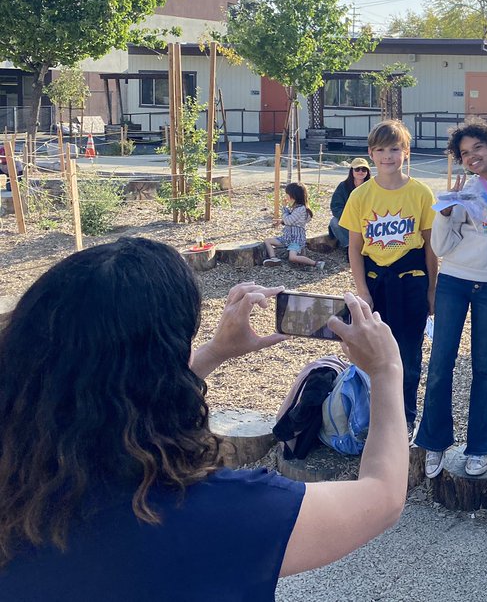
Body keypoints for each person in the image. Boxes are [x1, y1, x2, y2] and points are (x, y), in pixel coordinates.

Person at [0, 237, 408, 601]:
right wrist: (386, 370)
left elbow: (114, 399)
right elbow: (382, 497)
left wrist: (214, 352)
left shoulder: (24, 477)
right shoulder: (216, 510)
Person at [416, 119, 487, 479]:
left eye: (477, 147)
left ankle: (481, 446)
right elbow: (442, 247)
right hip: (454, 281)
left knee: (485, 367)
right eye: (464, 153)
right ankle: (434, 442)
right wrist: (445, 214)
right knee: (441, 362)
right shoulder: (464, 189)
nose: (472, 156)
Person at [340, 119, 437, 431]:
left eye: (394, 149)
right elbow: (354, 248)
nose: (388, 156)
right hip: (375, 281)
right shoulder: (360, 196)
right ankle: (371, 416)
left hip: (411, 279)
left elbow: (431, 247)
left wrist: (432, 288)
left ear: (405, 152)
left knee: (409, 354)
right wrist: (362, 290)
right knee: (372, 352)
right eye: (381, 150)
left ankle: (405, 418)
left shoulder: (421, 193)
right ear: (371, 154)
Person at [265, 183, 323, 268]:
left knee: (292, 257)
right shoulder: (295, 208)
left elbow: (289, 221)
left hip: (296, 240)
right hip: (287, 238)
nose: (285, 196)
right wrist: (281, 221)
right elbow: (292, 221)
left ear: (293, 195)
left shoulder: (301, 209)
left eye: (287, 194)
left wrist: (284, 208)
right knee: (267, 241)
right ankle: (274, 259)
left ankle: (315, 263)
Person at [329, 158, 371, 248]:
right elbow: (336, 206)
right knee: (334, 222)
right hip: (348, 219)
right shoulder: (343, 186)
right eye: (357, 169)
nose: (360, 172)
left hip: (368, 220)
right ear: (352, 171)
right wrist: (350, 218)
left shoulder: (373, 187)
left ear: (367, 172)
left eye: (364, 169)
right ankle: (349, 246)